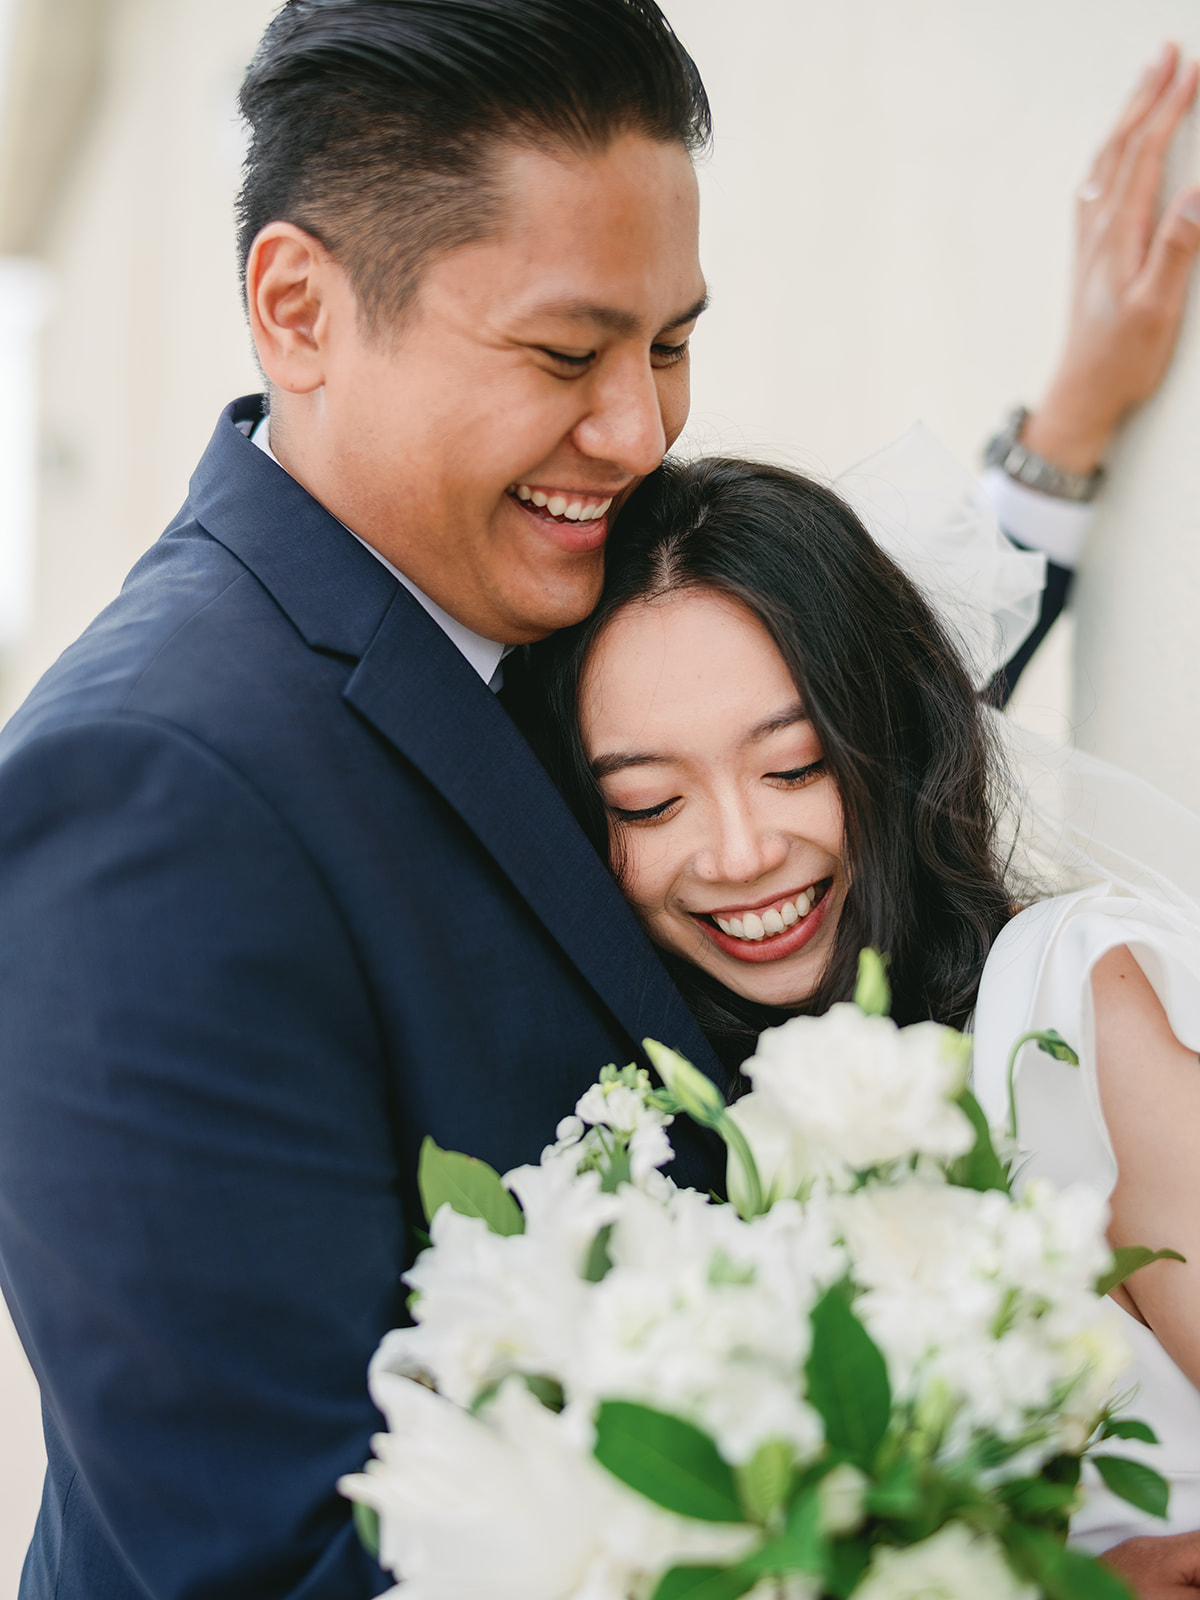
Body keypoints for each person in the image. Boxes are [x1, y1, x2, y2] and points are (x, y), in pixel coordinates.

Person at [0, 0, 1194, 1594]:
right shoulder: (149, 788)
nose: (639, 430)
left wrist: (1062, 439)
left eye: (673, 343)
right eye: (568, 354)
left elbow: (820, 696)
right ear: (299, 309)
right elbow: (267, 1561)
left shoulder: (511, 596)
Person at [527, 450, 1200, 1566]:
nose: (741, 854)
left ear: (890, 740)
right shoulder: (659, 1150)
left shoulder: (1075, 1012)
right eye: (648, 801)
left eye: (794, 767)